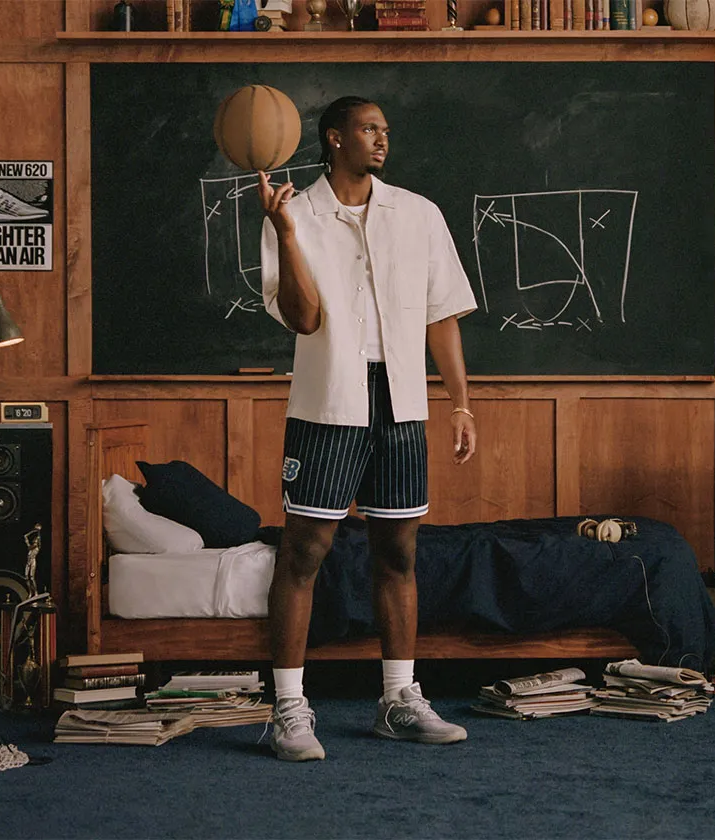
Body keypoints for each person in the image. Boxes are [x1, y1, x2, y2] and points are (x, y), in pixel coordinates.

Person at [255, 95, 477, 762]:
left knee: (399, 553)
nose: (382, 138)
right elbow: (302, 316)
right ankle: (289, 710)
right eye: (369, 128)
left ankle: (398, 701)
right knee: (304, 553)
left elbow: (443, 315)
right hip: (329, 403)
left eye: (385, 128)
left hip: (403, 402)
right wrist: (288, 235)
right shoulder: (292, 212)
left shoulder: (419, 214)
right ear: (334, 138)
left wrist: (461, 403)